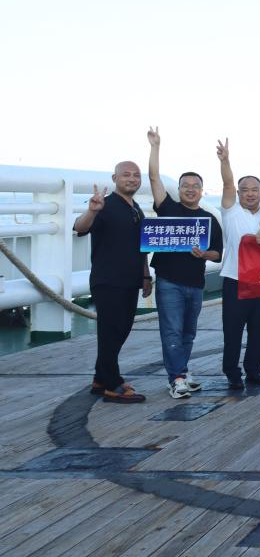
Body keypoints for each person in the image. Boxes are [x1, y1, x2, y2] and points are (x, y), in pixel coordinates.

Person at [146, 128, 224, 400]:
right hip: (169, 281)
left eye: (195, 186)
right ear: (178, 190)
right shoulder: (168, 209)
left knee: (188, 333)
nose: (190, 189)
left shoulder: (209, 218)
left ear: (202, 191)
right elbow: (154, 177)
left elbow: (218, 253)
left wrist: (204, 255)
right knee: (171, 331)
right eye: (185, 186)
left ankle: (182, 370)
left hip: (196, 283)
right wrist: (155, 147)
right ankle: (176, 378)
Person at [74, 162, 152, 403]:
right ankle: (112, 384)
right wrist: (92, 210)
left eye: (136, 175)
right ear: (114, 178)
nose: (132, 179)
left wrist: (145, 275)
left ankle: (101, 378)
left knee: (121, 330)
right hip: (108, 280)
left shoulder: (136, 208)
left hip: (130, 280)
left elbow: (142, 247)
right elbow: (80, 227)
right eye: (126, 175)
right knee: (110, 332)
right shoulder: (105, 205)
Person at [216, 138, 260, 389]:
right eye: (245, 189)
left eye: (254, 189)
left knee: (259, 331)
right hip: (235, 281)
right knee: (233, 331)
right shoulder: (231, 211)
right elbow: (227, 183)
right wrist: (225, 160)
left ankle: (254, 371)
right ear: (238, 194)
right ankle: (232, 372)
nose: (250, 193)